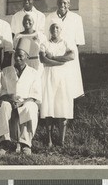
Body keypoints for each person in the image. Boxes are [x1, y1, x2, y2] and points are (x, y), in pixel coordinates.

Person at [0, 37, 42, 155]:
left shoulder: (33, 73)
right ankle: (4, 143)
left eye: (21, 56)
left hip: (26, 101)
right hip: (9, 100)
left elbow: (36, 95)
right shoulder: (6, 71)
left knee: (30, 107)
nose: (17, 58)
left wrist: (23, 101)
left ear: (27, 57)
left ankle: (25, 143)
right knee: (4, 107)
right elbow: (1, 92)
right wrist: (10, 98)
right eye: (16, 55)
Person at [39, 19, 77, 147]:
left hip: (63, 78)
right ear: (49, 30)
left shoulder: (66, 42)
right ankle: (49, 140)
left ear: (60, 30)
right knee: (48, 107)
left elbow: (71, 56)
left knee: (63, 107)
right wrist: (61, 62)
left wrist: (54, 58)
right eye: (52, 28)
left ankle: (61, 140)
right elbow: (43, 59)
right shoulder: (44, 43)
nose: (54, 30)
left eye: (57, 28)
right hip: (48, 76)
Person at [44, 0, 85, 99]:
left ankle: (71, 100)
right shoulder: (50, 17)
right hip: (53, 52)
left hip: (69, 53)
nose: (62, 5)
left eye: (65, 3)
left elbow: (78, 41)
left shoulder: (76, 18)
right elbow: (46, 37)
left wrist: (68, 54)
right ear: (57, 2)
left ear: (69, 4)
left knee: (70, 82)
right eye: (60, 2)